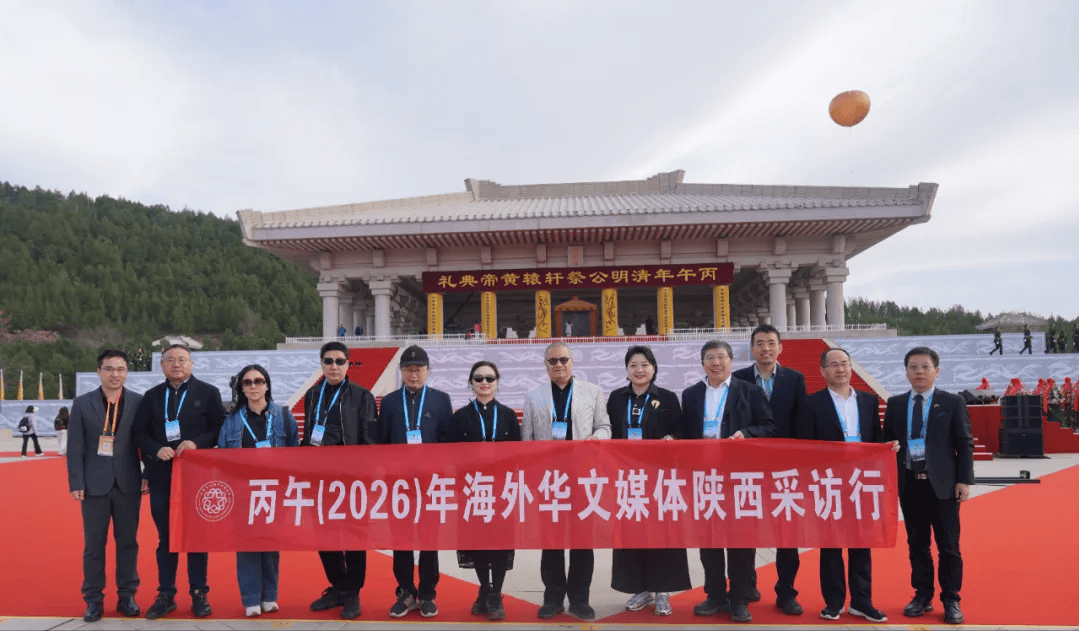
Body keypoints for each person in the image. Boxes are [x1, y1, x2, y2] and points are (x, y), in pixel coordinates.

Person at [799, 348, 896, 623]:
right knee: (831, 544)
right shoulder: (812, 403)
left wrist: (887, 447)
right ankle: (833, 602)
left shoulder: (867, 400)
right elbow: (806, 446)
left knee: (861, 542)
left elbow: (875, 438)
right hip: (828, 482)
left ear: (851, 367)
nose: (840, 369)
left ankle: (862, 601)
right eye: (833, 365)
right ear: (823, 371)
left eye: (844, 363)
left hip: (861, 482)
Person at [682, 340, 775, 624]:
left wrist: (747, 433)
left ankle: (740, 598)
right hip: (704, 478)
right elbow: (685, 433)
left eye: (721, 357)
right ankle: (715, 595)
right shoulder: (691, 394)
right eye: (710, 358)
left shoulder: (750, 391)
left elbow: (769, 426)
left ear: (731, 361)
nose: (716, 363)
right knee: (708, 541)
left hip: (739, 478)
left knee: (741, 541)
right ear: (702, 363)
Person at [882, 346, 974, 626]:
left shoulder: (951, 402)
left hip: (944, 486)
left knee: (949, 546)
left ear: (936, 371)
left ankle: (951, 598)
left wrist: (964, 480)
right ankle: (922, 595)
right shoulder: (896, 404)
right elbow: (887, 442)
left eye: (925, 367)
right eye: (913, 367)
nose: (919, 372)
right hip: (910, 485)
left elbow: (964, 442)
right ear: (906, 372)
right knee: (917, 545)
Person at [132, 344, 225, 620]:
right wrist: (155, 449)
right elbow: (139, 433)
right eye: (170, 360)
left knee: (196, 536)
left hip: (197, 476)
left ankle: (199, 593)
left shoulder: (208, 393)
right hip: (162, 476)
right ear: (162, 365)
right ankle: (166, 594)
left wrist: (197, 443)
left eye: (182, 359)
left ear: (191, 364)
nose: (176, 364)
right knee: (166, 537)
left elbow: (219, 427)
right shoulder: (151, 396)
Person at [522, 341, 611, 621]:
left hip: (583, 478)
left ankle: (580, 600)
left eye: (563, 360)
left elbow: (605, 426)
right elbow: (527, 439)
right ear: (546, 365)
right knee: (551, 542)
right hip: (549, 481)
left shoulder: (592, 392)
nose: (558, 365)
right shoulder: (534, 396)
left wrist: (596, 438)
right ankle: (553, 599)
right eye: (552, 361)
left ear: (572, 362)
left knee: (582, 542)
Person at [606, 345, 689, 616]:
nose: (639, 370)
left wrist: (672, 439)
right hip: (627, 479)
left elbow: (681, 432)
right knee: (632, 533)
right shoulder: (616, 398)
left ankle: (663, 590)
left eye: (644, 365)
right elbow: (609, 433)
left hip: (660, 478)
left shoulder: (667, 398)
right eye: (633, 365)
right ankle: (640, 589)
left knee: (662, 533)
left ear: (654, 368)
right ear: (626, 370)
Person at [732, 324, 808, 615]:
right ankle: (746, 586)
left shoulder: (794, 379)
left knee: (786, 535)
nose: (766, 348)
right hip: (747, 468)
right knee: (745, 531)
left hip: (784, 470)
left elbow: (801, 422)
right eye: (760, 343)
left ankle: (786, 592)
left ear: (780, 348)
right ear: (751, 348)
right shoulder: (738, 379)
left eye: (771, 343)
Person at [66, 350, 146, 622]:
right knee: (94, 545)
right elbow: (75, 446)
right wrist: (76, 481)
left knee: (128, 543)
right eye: (109, 369)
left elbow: (144, 441)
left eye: (121, 369)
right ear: (99, 371)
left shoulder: (138, 402)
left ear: (127, 372)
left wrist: (147, 473)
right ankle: (93, 599)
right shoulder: (83, 403)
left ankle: (127, 595)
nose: (115, 374)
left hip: (128, 483)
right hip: (93, 485)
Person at [302, 341, 378, 619]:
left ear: (348, 364)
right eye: (328, 361)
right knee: (325, 536)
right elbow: (309, 435)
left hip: (352, 479)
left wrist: (364, 476)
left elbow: (370, 441)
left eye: (339, 361)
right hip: (320, 479)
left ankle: (353, 592)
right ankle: (338, 586)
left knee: (354, 536)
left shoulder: (362, 396)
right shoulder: (312, 395)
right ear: (321, 364)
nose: (334, 366)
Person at [218, 364, 299, 617]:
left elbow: (296, 454)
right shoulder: (231, 420)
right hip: (243, 492)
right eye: (247, 382)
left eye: (258, 381)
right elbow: (221, 455)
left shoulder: (284, 415)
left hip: (275, 492)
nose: (253, 386)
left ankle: (269, 596)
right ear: (241, 388)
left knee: (271, 544)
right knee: (247, 545)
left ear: (267, 385)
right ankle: (251, 597)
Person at [379, 345, 453, 618]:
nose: (414, 374)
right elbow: (383, 442)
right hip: (400, 486)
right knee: (401, 542)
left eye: (419, 369)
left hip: (430, 485)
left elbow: (447, 441)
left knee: (429, 541)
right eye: (409, 370)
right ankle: (406, 592)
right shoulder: (389, 402)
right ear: (401, 372)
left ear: (427, 371)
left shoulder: (441, 400)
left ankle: (427, 594)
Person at [447, 360, 521, 621]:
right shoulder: (460, 417)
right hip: (472, 491)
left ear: (497, 383)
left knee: (499, 545)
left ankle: (495, 594)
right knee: (477, 544)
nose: (484, 383)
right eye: (479, 378)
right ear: (471, 383)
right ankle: (484, 589)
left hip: (500, 492)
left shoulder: (508, 415)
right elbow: (450, 455)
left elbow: (517, 454)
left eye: (490, 378)